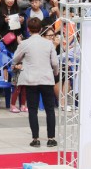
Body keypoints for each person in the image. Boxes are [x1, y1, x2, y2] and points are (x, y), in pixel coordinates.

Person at [13, 17, 59, 147]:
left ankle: (35, 139)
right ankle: (51, 138)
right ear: (40, 29)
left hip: (30, 80)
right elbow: (55, 63)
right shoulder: (48, 43)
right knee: (50, 109)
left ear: (28, 29)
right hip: (46, 79)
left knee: (33, 110)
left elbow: (15, 59)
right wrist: (55, 73)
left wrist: (20, 46)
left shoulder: (24, 43)